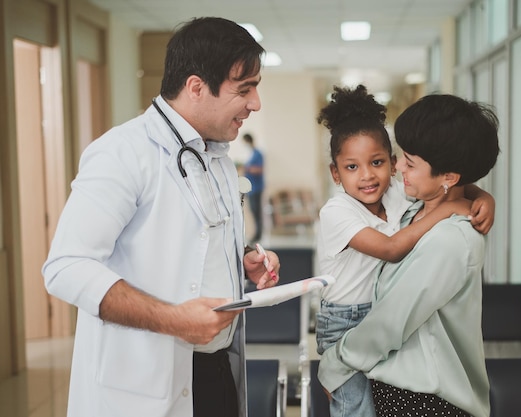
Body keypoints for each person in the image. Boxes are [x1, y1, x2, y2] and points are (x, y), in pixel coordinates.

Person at [42, 17, 280, 417]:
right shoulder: (122, 153)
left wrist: (239, 261)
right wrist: (174, 320)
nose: (255, 103)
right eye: (245, 89)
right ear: (196, 88)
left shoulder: (217, 156)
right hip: (143, 384)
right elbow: (65, 267)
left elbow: (185, 242)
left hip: (214, 372)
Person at [315, 86, 495, 417]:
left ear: (447, 176)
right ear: (336, 173)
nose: (398, 171)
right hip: (380, 366)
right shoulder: (415, 211)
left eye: (407, 163)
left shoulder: (449, 239)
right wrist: (474, 196)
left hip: (425, 399)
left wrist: (334, 363)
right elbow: (394, 246)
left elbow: (389, 322)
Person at [242, 133, 265, 242]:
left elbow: (259, 169)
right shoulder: (250, 154)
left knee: (256, 211)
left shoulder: (257, 154)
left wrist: (247, 168)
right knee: (252, 210)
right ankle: (256, 233)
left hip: (257, 187)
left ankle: (258, 234)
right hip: (251, 188)